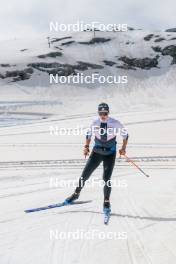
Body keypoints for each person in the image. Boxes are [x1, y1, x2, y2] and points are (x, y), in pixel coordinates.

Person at [65, 103, 129, 212]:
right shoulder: (95, 123)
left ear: (108, 112)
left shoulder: (115, 123)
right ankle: (76, 194)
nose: (103, 115)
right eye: (101, 113)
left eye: (105, 113)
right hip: (96, 153)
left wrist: (123, 148)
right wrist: (86, 146)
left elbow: (125, 135)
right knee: (85, 175)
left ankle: (106, 201)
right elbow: (89, 135)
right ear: (98, 113)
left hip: (110, 154)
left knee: (106, 179)